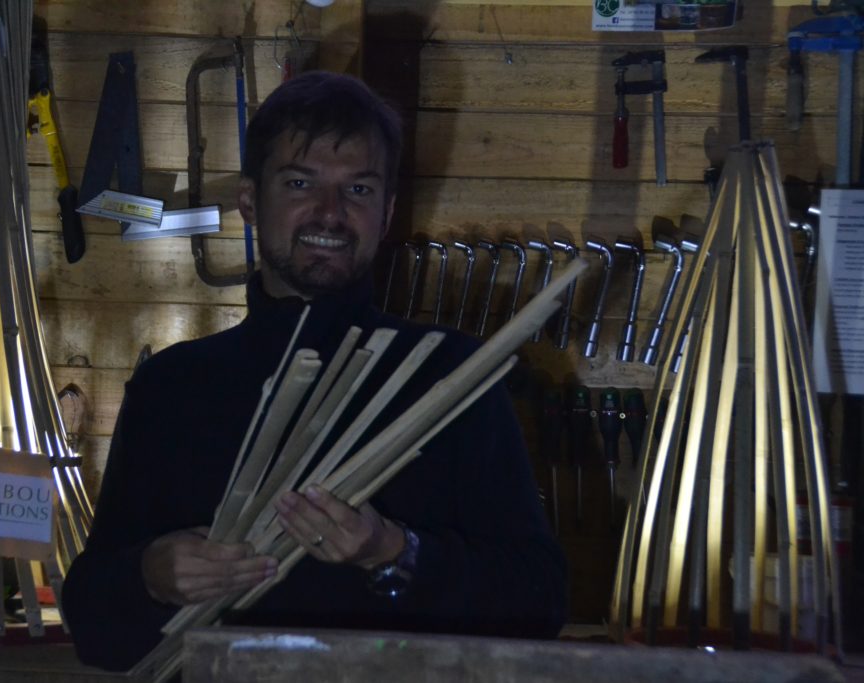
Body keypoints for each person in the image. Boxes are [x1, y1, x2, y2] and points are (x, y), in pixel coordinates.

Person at [61, 71, 567, 671]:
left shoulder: (450, 376)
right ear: (250, 201)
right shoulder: (170, 388)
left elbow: (541, 600)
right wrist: (149, 576)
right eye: (300, 182)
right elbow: (90, 620)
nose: (330, 213)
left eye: (358, 189)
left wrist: (394, 553)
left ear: (386, 214)